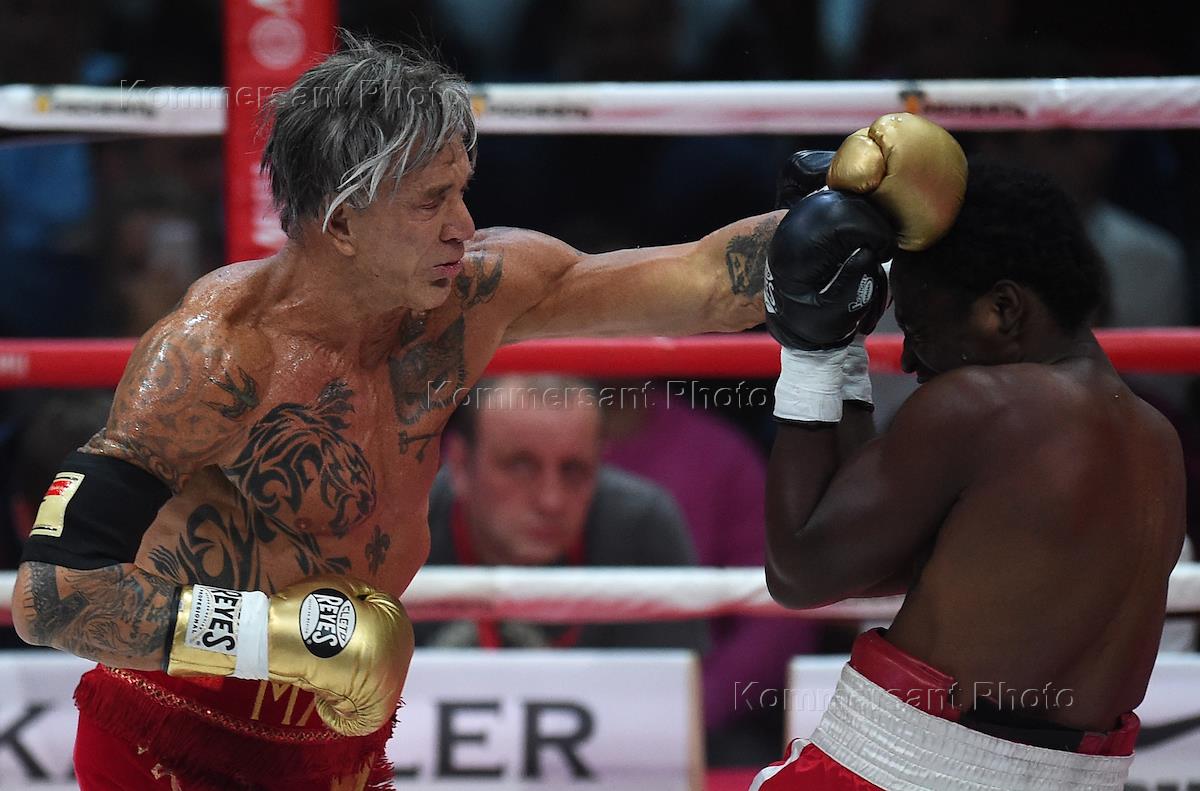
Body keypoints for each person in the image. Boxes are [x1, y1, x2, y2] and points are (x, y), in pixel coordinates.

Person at [8, 34, 952, 791]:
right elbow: (53, 595)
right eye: (431, 201)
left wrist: (844, 218)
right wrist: (295, 640)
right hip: (171, 744)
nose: (464, 224)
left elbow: (705, 282)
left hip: (341, 743)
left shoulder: (472, 296)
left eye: (462, 188)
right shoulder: (215, 356)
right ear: (341, 222)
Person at [752, 146, 1186, 787]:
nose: (909, 361)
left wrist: (813, 352)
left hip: (902, 772)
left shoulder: (983, 405)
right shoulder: (1157, 443)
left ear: (1003, 309)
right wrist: (844, 353)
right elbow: (875, 553)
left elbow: (801, 572)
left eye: (919, 330)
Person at [418, 374, 708, 652]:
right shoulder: (406, 532)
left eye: (574, 469)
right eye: (521, 466)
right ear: (460, 464)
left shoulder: (642, 526)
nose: (551, 501)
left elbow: (669, 683)